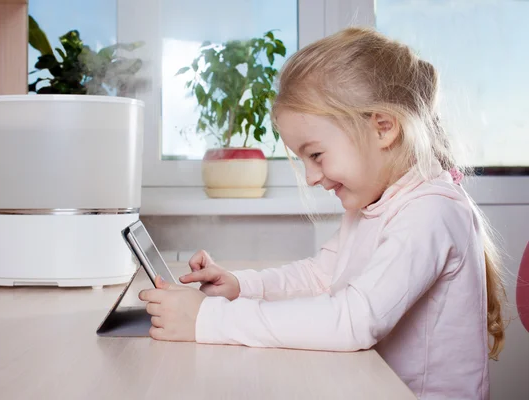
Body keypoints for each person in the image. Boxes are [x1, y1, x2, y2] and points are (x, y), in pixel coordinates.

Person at [138, 27, 506, 399]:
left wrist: (208, 320)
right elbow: (320, 276)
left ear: (383, 128)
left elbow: (355, 320)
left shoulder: (431, 211)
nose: (312, 177)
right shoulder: (377, 202)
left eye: (315, 155)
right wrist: (242, 286)